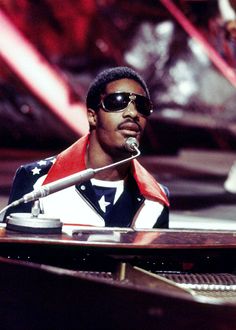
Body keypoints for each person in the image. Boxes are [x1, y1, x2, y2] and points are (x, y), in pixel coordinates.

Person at [4, 66, 169, 228]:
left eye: (142, 105)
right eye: (117, 101)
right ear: (92, 117)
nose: (132, 113)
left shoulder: (156, 198)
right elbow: (13, 252)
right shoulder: (36, 181)